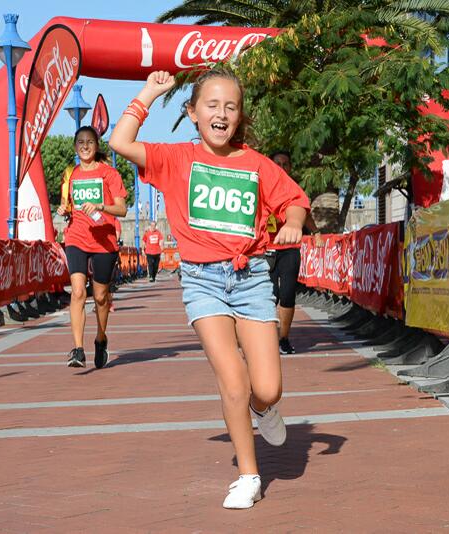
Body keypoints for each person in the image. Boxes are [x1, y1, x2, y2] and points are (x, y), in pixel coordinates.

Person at [110, 69, 310, 509]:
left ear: (239, 117)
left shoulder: (256, 163)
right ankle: (248, 475)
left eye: (230, 107)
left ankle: (264, 410)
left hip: (252, 278)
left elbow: (294, 200)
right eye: (212, 105)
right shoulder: (175, 158)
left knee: (268, 388)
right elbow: (120, 142)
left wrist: (293, 222)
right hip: (202, 282)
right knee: (232, 379)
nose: (221, 114)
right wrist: (147, 93)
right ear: (193, 112)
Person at [57, 125, 128, 369]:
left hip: (103, 240)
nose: (85, 146)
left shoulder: (109, 174)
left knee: (99, 296)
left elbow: (122, 209)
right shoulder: (70, 174)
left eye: (89, 142)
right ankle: (77, 349)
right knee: (77, 291)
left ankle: (100, 338)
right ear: (75, 147)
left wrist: (100, 206)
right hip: (76, 237)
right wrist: (63, 209)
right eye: (80, 142)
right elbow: (68, 206)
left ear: (97, 146)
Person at [265, 151, 323, 355]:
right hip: (265, 250)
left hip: (289, 249)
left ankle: (284, 338)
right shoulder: (260, 187)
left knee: (287, 294)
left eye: (285, 164)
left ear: (290, 167)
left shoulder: (294, 189)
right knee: (268, 295)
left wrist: (315, 233)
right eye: (277, 164)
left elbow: (304, 213)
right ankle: (266, 339)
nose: (281, 168)